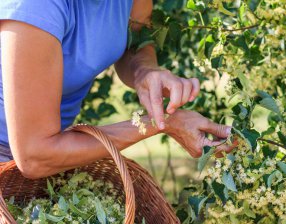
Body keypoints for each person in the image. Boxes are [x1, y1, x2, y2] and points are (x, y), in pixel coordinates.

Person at [0, 0, 234, 178]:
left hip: (54, 144)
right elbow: (35, 156)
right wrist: (160, 123)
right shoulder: (34, 7)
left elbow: (137, 40)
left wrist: (144, 71)